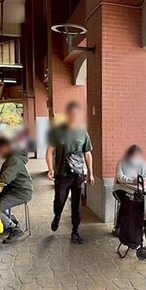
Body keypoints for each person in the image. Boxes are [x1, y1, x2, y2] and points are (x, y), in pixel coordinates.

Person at [45, 102, 94, 244]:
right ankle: (57, 215)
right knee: (60, 200)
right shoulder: (58, 131)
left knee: (77, 205)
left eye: (76, 114)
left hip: (78, 176)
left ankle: (75, 231)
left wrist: (90, 173)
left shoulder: (83, 133)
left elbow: (88, 153)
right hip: (62, 175)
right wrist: (50, 168)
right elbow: (49, 151)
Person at [0, 136, 33, 243]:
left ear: (6, 147)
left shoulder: (14, 159)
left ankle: (14, 229)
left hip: (21, 193)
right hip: (15, 191)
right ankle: (11, 220)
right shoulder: (13, 158)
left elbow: (5, 178)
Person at [113, 145, 146, 231]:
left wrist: (143, 180)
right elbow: (120, 177)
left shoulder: (142, 163)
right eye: (133, 155)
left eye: (137, 156)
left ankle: (139, 224)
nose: (135, 158)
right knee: (127, 202)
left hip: (137, 190)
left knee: (141, 202)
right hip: (121, 189)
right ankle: (119, 226)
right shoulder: (121, 162)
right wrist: (132, 181)